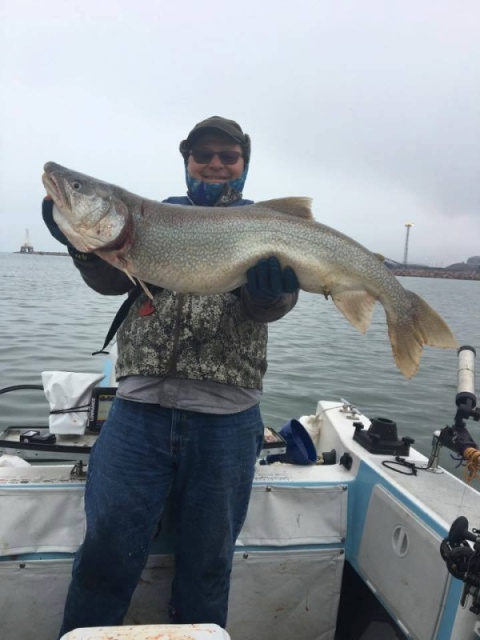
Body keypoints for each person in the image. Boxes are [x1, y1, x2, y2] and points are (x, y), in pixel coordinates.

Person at [43, 116, 299, 635]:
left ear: (244, 166)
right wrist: (79, 246)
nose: (215, 164)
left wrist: (272, 292)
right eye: (203, 155)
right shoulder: (147, 219)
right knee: (106, 554)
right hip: (140, 412)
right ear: (186, 162)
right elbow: (110, 284)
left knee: (208, 563)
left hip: (228, 419)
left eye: (228, 156)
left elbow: (274, 306)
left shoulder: (266, 224)